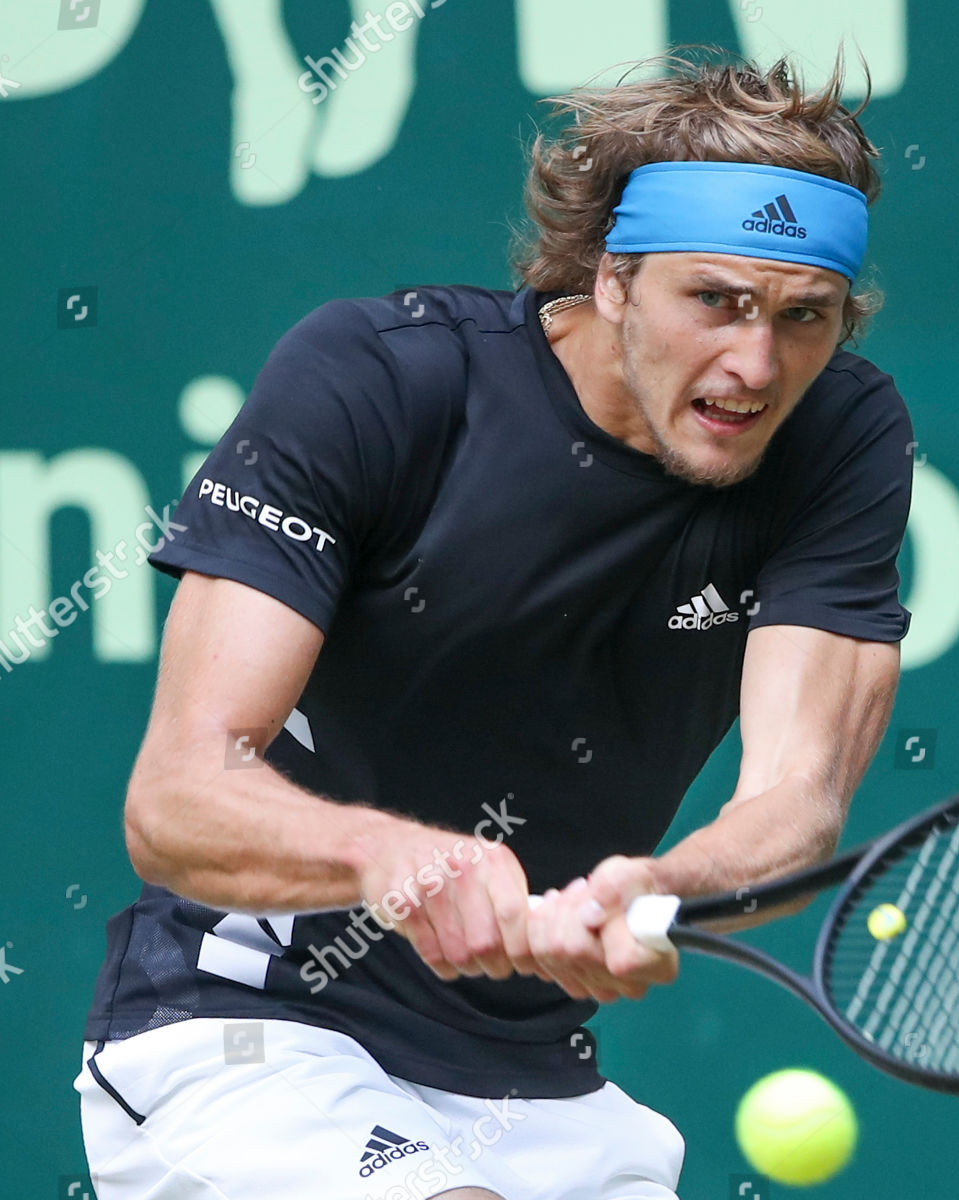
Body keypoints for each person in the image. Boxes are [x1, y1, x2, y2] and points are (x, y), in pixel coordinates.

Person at [75, 44, 915, 1200]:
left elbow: (795, 801)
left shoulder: (841, 436)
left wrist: (653, 887)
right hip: (244, 1032)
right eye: (715, 302)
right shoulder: (379, 381)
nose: (757, 363)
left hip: (534, 1084)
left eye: (804, 316)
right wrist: (400, 859)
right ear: (613, 279)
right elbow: (174, 801)